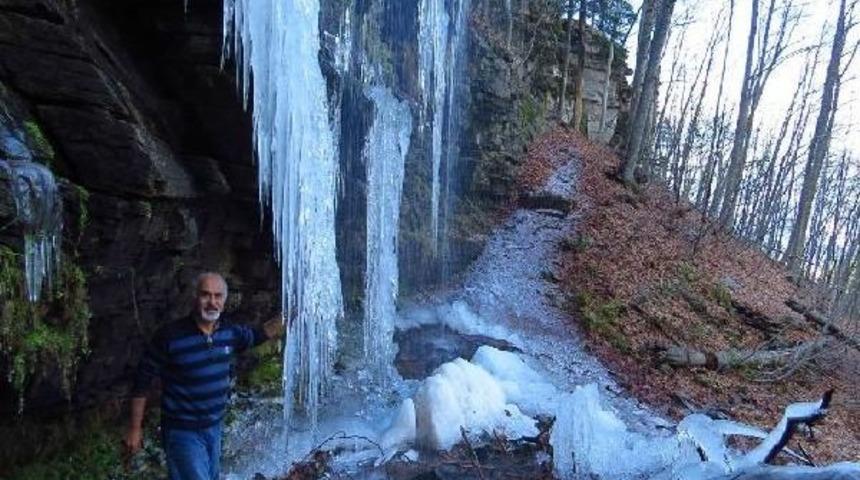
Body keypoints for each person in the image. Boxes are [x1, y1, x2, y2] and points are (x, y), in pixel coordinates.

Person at [123, 272, 284, 480]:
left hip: (214, 427)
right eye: (205, 295)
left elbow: (259, 335)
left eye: (218, 296)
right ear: (195, 298)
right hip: (182, 432)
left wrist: (292, 312)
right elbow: (142, 381)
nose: (212, 302)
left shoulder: (230, 332)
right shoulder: (170, 336)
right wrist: (135, 429)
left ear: (224, 302)